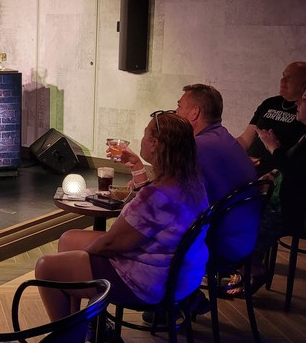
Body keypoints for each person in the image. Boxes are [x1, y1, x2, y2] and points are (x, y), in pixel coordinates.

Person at [35, 111, 208, 321]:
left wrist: (88, 254)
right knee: (68, 239)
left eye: (145, 134)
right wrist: (136, 166)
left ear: (154, 143)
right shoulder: (191, 183)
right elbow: (153, 216)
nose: (142, 139)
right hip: (180, 274)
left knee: (47, 267)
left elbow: (111, 244)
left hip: (147, 282)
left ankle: (65, 340)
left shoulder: (156, 197)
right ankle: (81, 324)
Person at [229, 78, 306, 296]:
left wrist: (273, 148)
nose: (298, 104)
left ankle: (252, 268)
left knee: (239, 222)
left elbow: (298, 175)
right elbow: (297, 170)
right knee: (239, 210)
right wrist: (271, 174)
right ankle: (245, 266)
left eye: (304, 100)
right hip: (297, 203)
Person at [176, 84, 257, 261]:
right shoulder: (224, 137)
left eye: (179, 106)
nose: (175, 112)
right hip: (246, 238)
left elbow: (169, 195)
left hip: (221, 245)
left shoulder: (196, 147)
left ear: (194, 113)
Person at [236, 61, 306, 173]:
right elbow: (245, 139)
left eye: (289, 78)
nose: (282, 80)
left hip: (273, 175)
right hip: (248, 166)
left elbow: (299, 162)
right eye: (283, 76)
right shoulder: (270, 103)